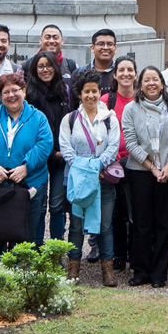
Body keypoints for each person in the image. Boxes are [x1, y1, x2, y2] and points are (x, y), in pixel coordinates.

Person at [0, 73, 53, 266]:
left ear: (23, 91)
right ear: (1, 96)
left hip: (28, 184)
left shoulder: (38, 118)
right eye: (6, 92)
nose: (11, 95)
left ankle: (22, 277)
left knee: (26, 235)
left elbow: (45, 144)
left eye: (15, 90)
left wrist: (26, 167)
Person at [123, 66, 168, 288]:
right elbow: (131, 143)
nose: (151, 83)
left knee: (163, 223)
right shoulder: (131, 109)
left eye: (155, 79)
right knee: (141, 223)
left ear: (162, 83)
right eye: (146, 80)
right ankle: (141, 271)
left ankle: (159, 273)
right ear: (140, 84)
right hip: (140, 172)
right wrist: (152, 168)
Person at [60, 69, 122, 286]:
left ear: (99, 92)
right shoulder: (69, 120)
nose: (91, 96)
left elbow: (113, 147)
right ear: (79, 94)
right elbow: (66, 149)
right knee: (76, 225)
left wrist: (97, 166)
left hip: (103, 180)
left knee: (105, 225)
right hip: (78, 181)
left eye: (94, 91)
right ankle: (73, 267)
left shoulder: (110, 119)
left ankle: (107, 270)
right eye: (86, 92)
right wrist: (86, 170)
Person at [25, 51, 74, 242]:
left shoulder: (64, 91)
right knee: (38, 205)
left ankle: (55, 250)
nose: (45, 70)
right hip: (38, 157)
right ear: (34, 70)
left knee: (56, 205)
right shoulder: (29, 95)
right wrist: (50, 152)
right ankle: (36, 249)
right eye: (41, 66)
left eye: (48, 65)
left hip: (60, 158)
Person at [100, 56, 138, 270]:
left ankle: (134, 252)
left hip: (136, 162)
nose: (126, 74)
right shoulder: (107, 100)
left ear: (135, 73)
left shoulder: (140, 99)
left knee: (134, 210)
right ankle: (118, 255)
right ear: (114, 75)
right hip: (112, 163)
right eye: (121, 70)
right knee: (115, 211)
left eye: (130, 70)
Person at [73, 28, 119, 95]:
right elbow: (73, 102)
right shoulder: (80, 73)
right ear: (92, 48)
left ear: (115, 48)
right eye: (101, 44)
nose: (105, 48)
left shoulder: (122, 74)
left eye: (110, 44)